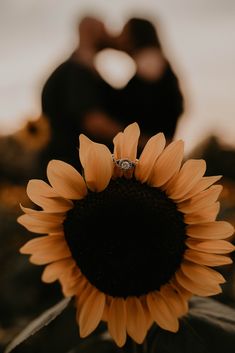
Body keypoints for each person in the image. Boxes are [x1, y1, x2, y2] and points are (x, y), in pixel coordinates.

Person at [41, 17, 122, 169]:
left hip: (66, 165)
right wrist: (142, 142)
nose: (111, 35)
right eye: (105, 29)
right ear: (91, 31)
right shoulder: (77, 72)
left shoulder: (78, 69)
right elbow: (94, 122)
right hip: (73, 169)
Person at [116, 18, 184, 144]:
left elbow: (147, 104)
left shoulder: (150, 59)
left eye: (123, 33)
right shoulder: (154, 59)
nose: (118, 37)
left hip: (149, 147)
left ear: (135, 36)